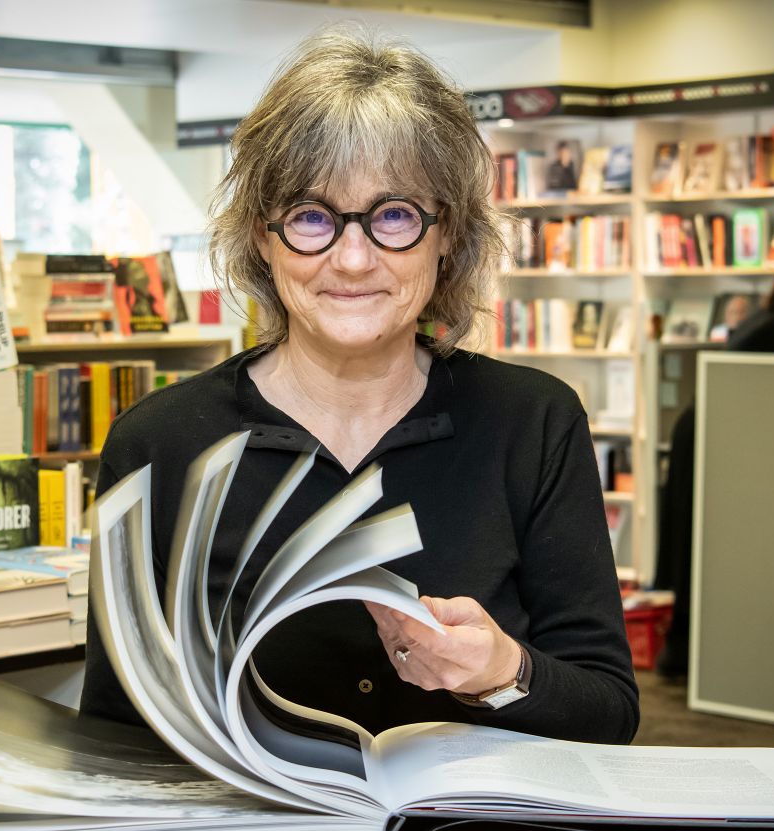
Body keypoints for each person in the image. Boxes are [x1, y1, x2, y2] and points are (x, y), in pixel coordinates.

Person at [80, 30, 640, 745]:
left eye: (394, 215)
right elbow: (113, 733)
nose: (351, 258)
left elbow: (611, 712)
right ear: (263, 236)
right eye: (312, 216)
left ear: (448, 235)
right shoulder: (158, 443)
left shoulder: (532, 422)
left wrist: (504, 669)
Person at [654, 248, 774, 678]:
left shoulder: (766, 322)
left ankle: (681, 654)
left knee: (695, 546)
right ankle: (683, 657)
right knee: (704, 548)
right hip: (713, 439)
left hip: (700, 432)